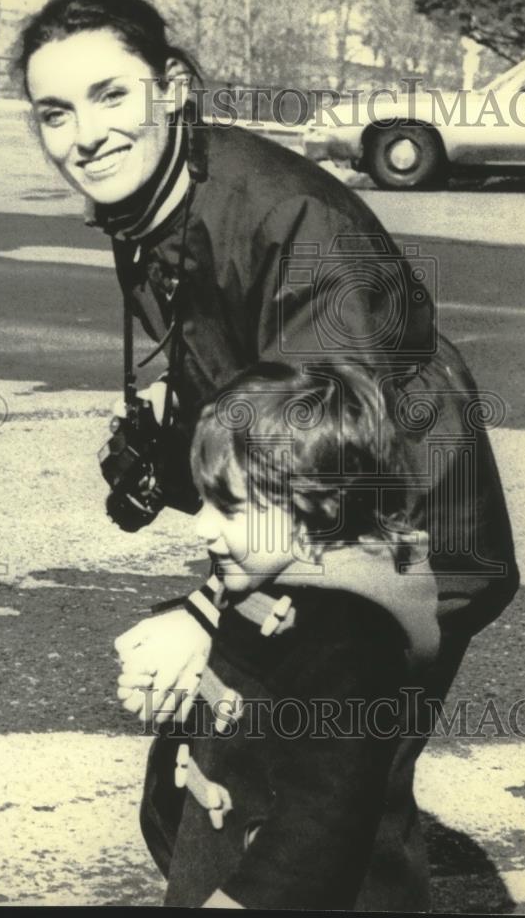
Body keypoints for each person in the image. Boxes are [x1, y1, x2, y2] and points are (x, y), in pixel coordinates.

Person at [16, 0, 520, 910]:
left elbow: (334, 440)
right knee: (203, 795)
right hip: (303, 531)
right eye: (55, 111)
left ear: (172, 87)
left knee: (329, 817)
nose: (82, 135)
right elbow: (238, 359)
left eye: (109, 95)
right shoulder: (155, 195)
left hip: (400, 538)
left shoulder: (290, 216)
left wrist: (204, 612)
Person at [151, 362, 439, 909]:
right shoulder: (274, 577)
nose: (201, 526)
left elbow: (326, 810)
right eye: (204, 501)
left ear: (317, 514)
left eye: (229, 507)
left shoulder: (352, 635)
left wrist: (244, 899)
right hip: (229, 872)